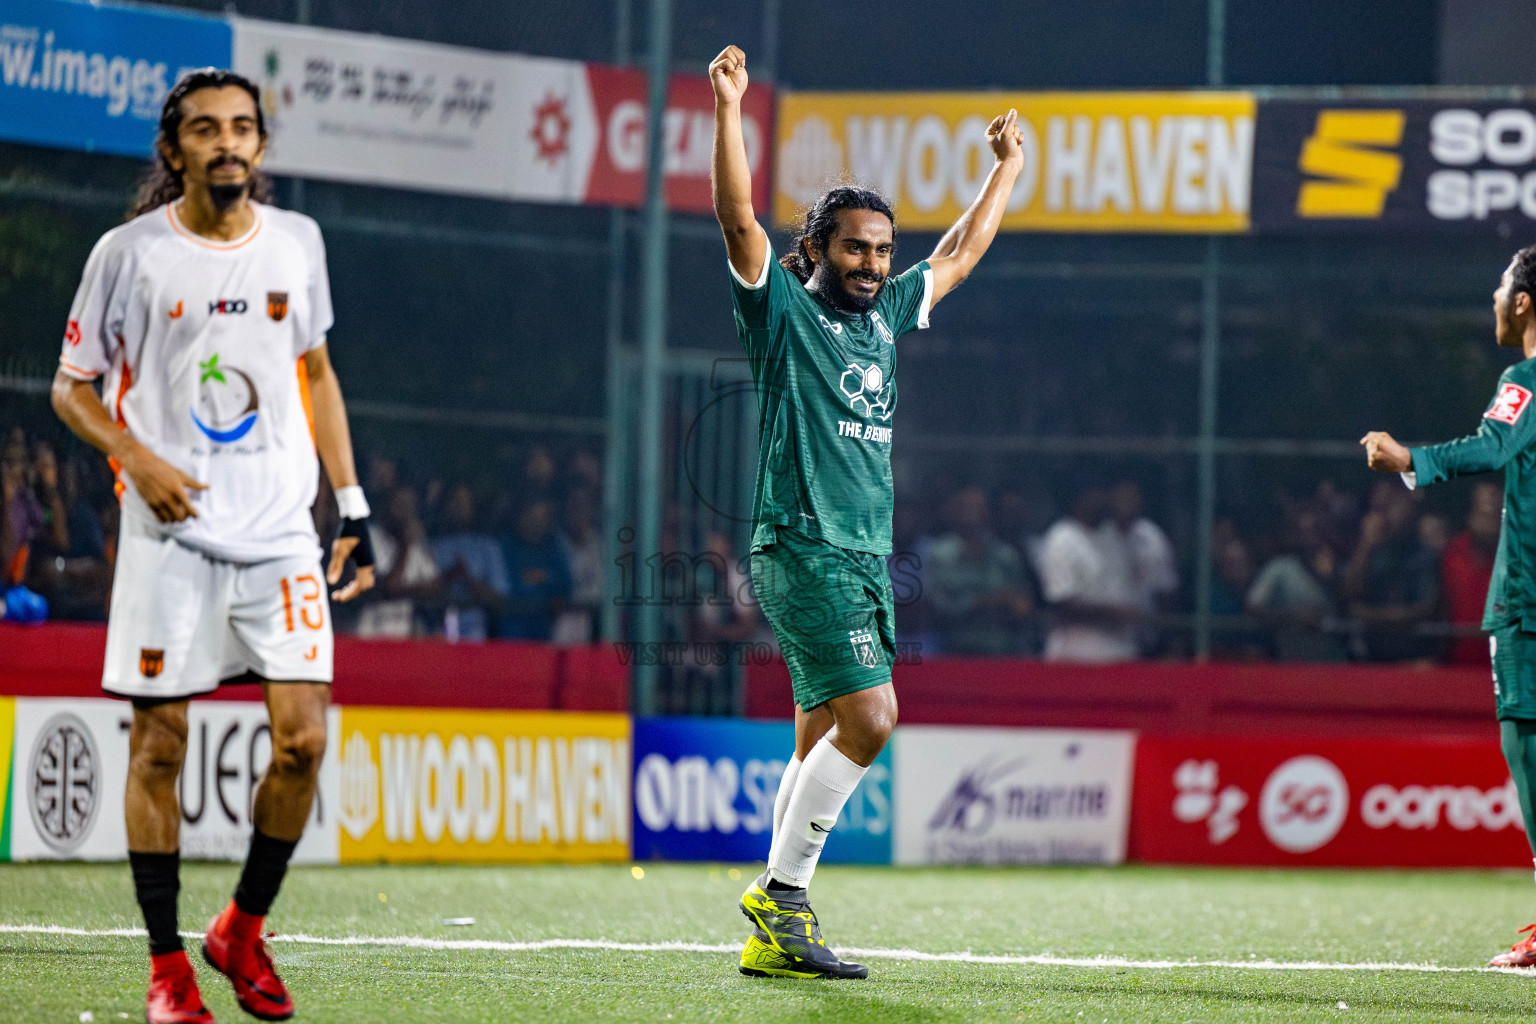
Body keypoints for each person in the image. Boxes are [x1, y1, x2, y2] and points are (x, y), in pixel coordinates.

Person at [50, 69, 375, 1024]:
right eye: (205, 129)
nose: (226, 143)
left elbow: (317, 373)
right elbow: (70, 387)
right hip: (169, 536)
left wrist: (350, 507)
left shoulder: (298, 244)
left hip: (280, 536)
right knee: (161, 746)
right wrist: (133, 456)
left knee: (305, 740)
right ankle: (166, 969)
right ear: (174, 148)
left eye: (241, 128)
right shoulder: (130, 254)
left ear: (261, 147)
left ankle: (242, 925)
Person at [710, 43, 1023, 979]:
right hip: (803, 543)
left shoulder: (888, 315)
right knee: (874, 717)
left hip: (861, 555)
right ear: (816, 250)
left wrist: (1004, 170)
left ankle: (774, 930)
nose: (874, 264)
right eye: (856, 248)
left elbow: (961, 252)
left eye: (883, 250)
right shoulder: (783, 313)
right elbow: (734, 218)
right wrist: (729, 110)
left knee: (817, 737)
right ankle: (783, 898)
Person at [1362, 244, 1536, 968]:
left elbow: (1495, 445)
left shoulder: (1525, 378)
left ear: (1524, 301)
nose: (1493, 299)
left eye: (1501, 287)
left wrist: (1412, 461)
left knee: (1527, 753)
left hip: (1528, 606)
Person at [1035, 479, 1139, 663]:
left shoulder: (1112, 534)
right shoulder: (1061, 538)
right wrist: (1114, 613)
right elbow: (1063, 602)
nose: (1105, 500)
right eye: (1097, 494)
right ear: (1081, 500)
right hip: (1076, 657)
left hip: (1119, 654)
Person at [924, 486, 1034, 655]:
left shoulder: (1005, 556)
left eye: (980, 507)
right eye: (966, 507)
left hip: (1001, 652)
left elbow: (1020, 604)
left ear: (989, 513)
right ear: (953, 512)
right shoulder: (940, 554)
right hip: (954, 652)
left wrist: (1015, 607)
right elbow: (941, 608)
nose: (973, 513)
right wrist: (993, 600)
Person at [1441, 481, 1502, 665]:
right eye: (1482, 512)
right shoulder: (1453, 552)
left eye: (1494, 512)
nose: (1487, 520)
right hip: (1457, 665)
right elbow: (1441, 607)